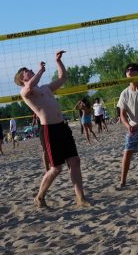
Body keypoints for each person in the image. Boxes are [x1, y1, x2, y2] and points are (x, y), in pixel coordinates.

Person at [16, 51, 90, 207]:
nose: (31, 70)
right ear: (23, 79)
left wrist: (58, 62)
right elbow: (29, 86)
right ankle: (39, 197)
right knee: (56, 168)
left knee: (75, 161)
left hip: (62, 127)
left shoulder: (45, 88)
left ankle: (80, 199)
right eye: (27, 71)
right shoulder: (25, 92)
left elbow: (63, 78)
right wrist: (41, 71)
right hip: (49, 130)